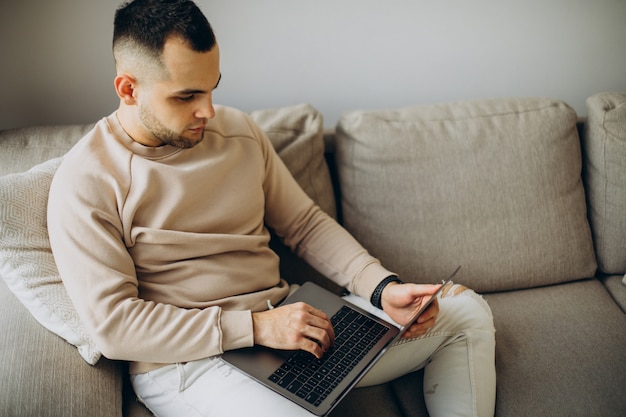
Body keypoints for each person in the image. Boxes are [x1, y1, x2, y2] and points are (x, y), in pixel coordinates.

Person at [47, 0, 496, 416]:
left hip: (292, 324)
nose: (208, 111)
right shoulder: (86, 181)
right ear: (128, 89)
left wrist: (380, 288)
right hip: (190, 363)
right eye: (186, 96)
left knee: (467, 314)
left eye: (212, 88)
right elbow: (115, 326)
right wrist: (258, 329)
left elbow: (304, 224)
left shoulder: (239, 132)